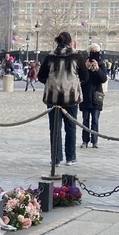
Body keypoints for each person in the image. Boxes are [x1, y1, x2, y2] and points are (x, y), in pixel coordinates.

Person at [37, 30, 89, 167]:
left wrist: (53, 84)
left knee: (55, 129)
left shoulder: (50, 57)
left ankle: (56, 158)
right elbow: (85, 76)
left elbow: (41, 76)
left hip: (53, 98)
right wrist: (72, 84)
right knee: (71, 128)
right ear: (70, 42)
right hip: (71, 98)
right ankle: (70, 157)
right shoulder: (76, 57)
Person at [79, 43, 108, 148]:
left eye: (96, 52)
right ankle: (85, 141)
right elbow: (81, 79)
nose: (94, 54)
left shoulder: (101, 64)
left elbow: (103, 79)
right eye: (92, 52)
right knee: (85, 120)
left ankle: (94, 141)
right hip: (86, 95)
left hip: (96, 95)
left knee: (95, 120)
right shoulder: (83, 63)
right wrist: (86, 69)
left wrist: (97, 69)